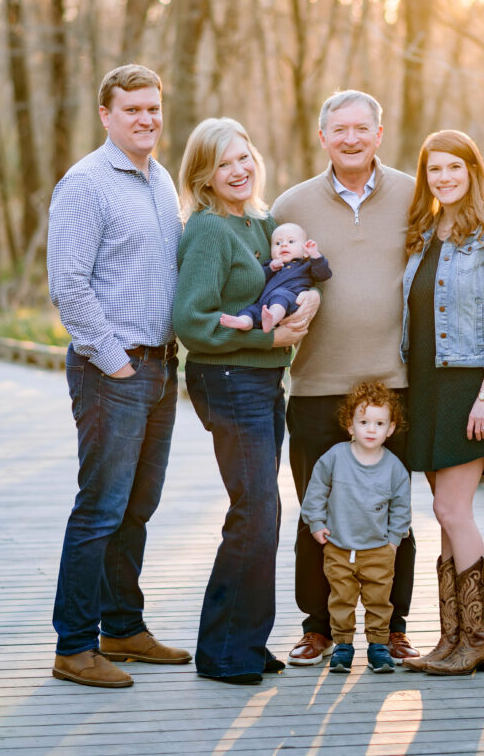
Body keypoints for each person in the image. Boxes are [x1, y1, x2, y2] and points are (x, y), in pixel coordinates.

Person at [48, 64, 190, 689]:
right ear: (106, 115)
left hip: (161, 366)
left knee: (137, 507)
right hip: (114, 369)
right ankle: (74, 647)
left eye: (153, 108)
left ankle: (122, 630)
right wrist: (116, 361)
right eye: (132, 109)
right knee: (99, 509)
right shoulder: (85, 184)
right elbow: (68, 286)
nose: (146, 119)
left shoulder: (160, 179)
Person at [272, 89, 419, 666]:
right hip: (316, 386)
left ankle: (395, 627)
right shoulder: (292, 204)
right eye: (340, 129)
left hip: (394, 384)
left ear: (379, 134)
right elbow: (267, 281)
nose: (352, 138)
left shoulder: (414, 193)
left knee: (394, 515)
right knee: (317, 511)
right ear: (322, 136)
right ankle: (317, 628)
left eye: (362, 128)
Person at [172, 117, 319, 685]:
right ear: (204, 176)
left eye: (243, 157)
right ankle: (224, 651)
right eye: (222, 163)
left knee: (264, 511)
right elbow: (190, 320)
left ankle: (246, 643)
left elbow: (293, 278)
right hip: (227, 377)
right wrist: (265, 338)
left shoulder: (263, 223)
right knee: (255, 510)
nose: (238, 170)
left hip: (261, 380)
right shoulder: (209, 230)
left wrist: (306, 303)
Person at [400, 129, 484, 676]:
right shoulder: (427, 230)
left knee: (454, 508)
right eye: (434, 170)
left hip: (471, 385)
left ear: (473, 170)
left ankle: (479, 639)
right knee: (442, 511)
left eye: (454, 168)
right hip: (426, 385)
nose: (444, 178)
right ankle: (452, 640)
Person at [301, 381, 411, 675]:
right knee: (341, 598)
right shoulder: (335, 457)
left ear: (390, 429)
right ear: (350, 426)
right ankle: (343, 646)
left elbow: (401, 507)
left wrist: (393, 540)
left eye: (379, 423)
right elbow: (316, 491)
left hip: (378, 549)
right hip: (339, 546)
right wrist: (316, 523)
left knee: (379, 601)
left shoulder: (394, 467)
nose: (371, 429)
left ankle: (377, 647)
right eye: (364, 422)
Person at [220, 222, 332, 333]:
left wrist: (315, 255)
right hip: (264, 302)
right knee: (250, 310)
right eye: (278, 243)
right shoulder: (271, 264)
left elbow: (323, 275)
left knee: (280, 298)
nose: (283, 245)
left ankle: (271, 320)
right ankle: (244, 322)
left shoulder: (306, 265)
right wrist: (270, 269)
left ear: (305, 252)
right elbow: (258, 279)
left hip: (289, 299)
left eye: (291, 241)